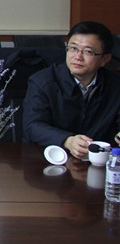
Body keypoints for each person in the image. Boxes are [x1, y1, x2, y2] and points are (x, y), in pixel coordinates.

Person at [23, 21, 120, 158]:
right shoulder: (42, 82)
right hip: (49, 159)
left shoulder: (116, 85)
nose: (78, 57)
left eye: (88, 51)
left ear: (105, 59)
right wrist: (67, 140)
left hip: (99, 160)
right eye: (73, 48)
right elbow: (33, 126)